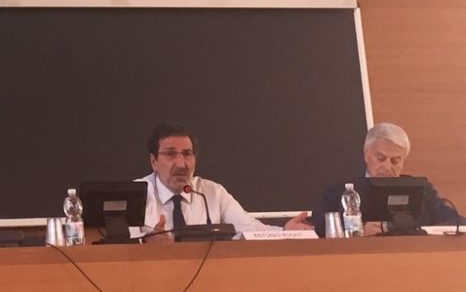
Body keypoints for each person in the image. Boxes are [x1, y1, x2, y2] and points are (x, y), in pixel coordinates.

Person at [138, 122, 312, 241]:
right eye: (170, 154)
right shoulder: (137, 193)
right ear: (153, 161)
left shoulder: (212, 192)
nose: (181, 163)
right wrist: (145, 244)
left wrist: (285, 233)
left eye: (187, 154)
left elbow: (248, 228)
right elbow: (119, 245)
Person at [313, 122, 461, 236]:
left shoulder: (422, 190)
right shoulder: (338, 192)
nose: (387, 166)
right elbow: (319, 227)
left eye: (395, 160)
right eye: (381, 158)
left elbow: (456, 222)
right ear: (366, 154)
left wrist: (420, 232)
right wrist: (358, 231)